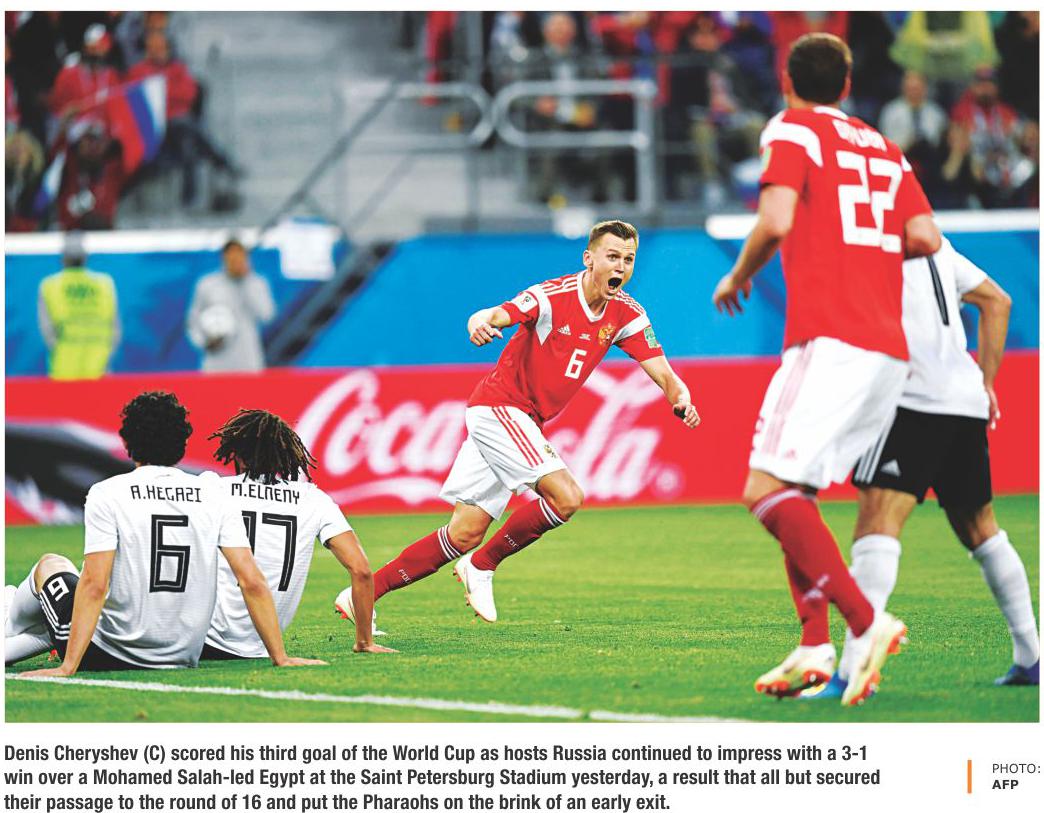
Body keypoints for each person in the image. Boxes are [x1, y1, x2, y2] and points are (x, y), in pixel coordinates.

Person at [711, 33, 941, 707]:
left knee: (763, 486)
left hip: (831, 335)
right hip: (886, 348)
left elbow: (776, 218)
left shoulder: (792, 128)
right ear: (846, 84)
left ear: (787, 81)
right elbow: (925, 237)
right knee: (796, 488)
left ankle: (866, 623)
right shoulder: (884, 146)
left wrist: (738, 274)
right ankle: (814, 644)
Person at [336, 220, 701, 629]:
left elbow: (664, 372)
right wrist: (479, 322)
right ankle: (482, 566)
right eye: (612, 256)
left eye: (628, 259)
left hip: (519, 420)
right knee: (567, 497)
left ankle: (361, 595)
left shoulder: (626, 313)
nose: (620, 266)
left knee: (463, 534)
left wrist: (680, 397)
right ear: (589, 258)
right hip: (500, 409)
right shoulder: (552, 297)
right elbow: (498, 313)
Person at [809, 239, 1038, 697]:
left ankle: (853, 669)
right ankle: (1031, 657)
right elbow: (998, 301)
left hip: (911, 399)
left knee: (877, 524)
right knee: (981, 529)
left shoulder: (867, 243)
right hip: (963, 401)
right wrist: (986, 384)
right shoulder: (938, 247)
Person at [17, 391, 324, 676]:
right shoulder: (213, 494)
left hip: (108, 651)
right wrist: (280, 656)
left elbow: (95, 584)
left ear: (127, 440)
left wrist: (69, 666)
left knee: (51, 565)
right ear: (183, 442)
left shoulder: (107, 493)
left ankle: (10, 621)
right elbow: (252, 580)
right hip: (184, 653)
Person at [203, 408, 395, 659]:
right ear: (285, 453)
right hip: (263, 646)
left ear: (235, 452)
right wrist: (365, 641)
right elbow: (361, 570)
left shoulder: (213, 489)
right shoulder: (313, 499)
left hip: (203, 639)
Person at [37, 231, 120, 380]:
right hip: (99, 369)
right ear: (85, 258)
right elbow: (115, 329)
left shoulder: (50, 285)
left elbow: (47, 331)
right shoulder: (104, 284)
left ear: (63, 258)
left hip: (63, 370)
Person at [186, 238, 275, 373]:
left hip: (248, 361)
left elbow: (267, 315)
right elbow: (193, 320)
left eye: (239, 255)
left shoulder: (257, 283)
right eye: (231, 256)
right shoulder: (208, 284)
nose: (235, 260)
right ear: (224, 257)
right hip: (216, 362)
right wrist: (203, 341)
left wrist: (246, 282)